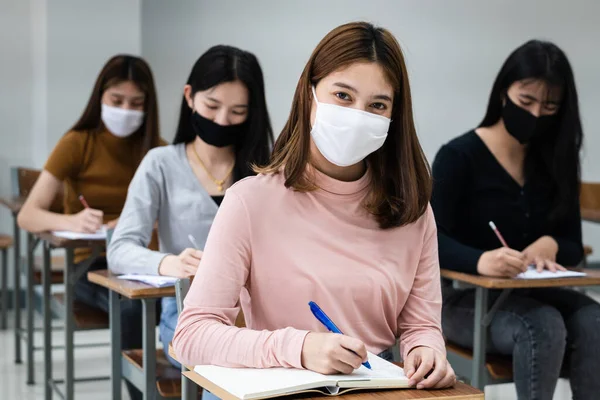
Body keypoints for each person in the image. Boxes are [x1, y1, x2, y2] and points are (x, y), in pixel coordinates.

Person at [173, 22, 456, 393]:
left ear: (393, 116)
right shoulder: (249, 201)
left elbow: (421, 326)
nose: (358, 115)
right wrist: (300, 347)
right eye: (342, 95)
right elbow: (191, 337)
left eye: (377, 105)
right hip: (282, 388)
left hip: (380, 388)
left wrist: (428, 351)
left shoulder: (412, 210)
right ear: (309, 96)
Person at [431, 40, 600, 400]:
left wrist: (552, 243)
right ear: (503, 93)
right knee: (542, 325)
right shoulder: (458, 157)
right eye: (527, 102)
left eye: (550, 106)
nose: (537, 115)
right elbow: (430, 240)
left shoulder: (556, 161)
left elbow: (572, 244)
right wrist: (480, 260)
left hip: (534, 295)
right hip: (465, 301)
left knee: (594, 319)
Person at [108, 45, 274, 372]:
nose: (223, 120)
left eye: (238, 111)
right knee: (227, 365)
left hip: (264, 316)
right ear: (189, 96)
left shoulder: (267, 169)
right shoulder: (161, 164)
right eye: (212, 106)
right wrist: (171, 263)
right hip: (189, 314)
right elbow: (119, 249)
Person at [17, 54, 164, 400]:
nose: (126, 110)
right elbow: (29, 215)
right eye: (117, 101)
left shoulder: (156, 150)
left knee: (179, 304)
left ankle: (180, 388)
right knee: (133, 308)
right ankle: (144, 394)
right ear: (100, 97)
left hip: (146, 265)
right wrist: (72, 221)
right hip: (91, 266)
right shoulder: (77, 143)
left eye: (136, 103)